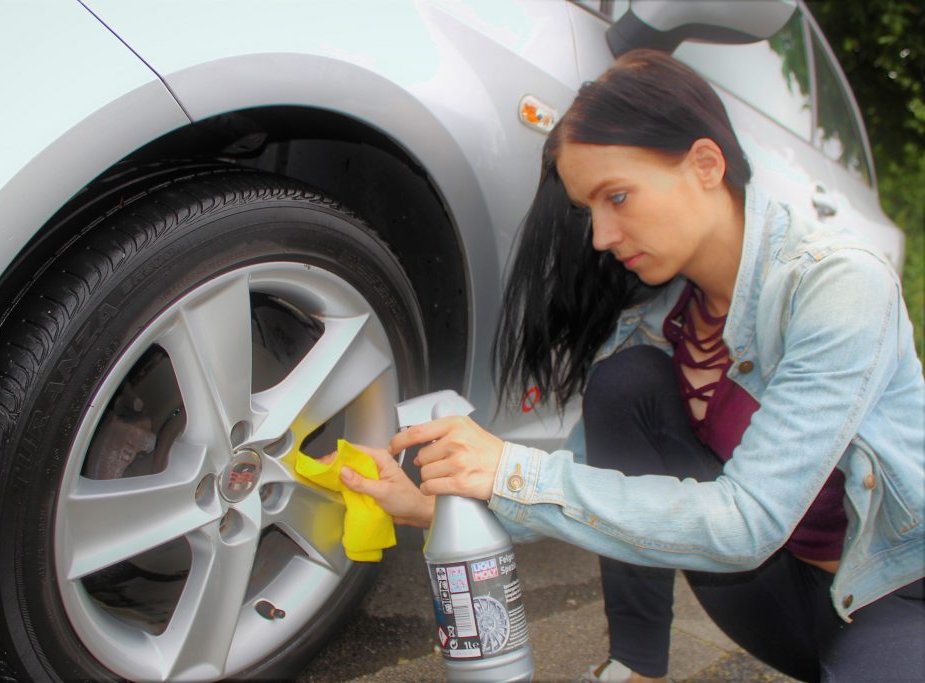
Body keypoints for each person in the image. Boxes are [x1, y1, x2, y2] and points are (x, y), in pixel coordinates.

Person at [333, 50, 925, 682]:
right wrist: (434, 504)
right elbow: (588, 479)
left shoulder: (837, 284)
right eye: (591, 210)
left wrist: (508, 467)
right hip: (769, 596)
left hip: (894, 593)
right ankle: (635, 666)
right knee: (626, 381)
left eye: (618, 196)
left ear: (705, 164)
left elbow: (747, 523)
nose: (601, 237)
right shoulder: (652, 321)